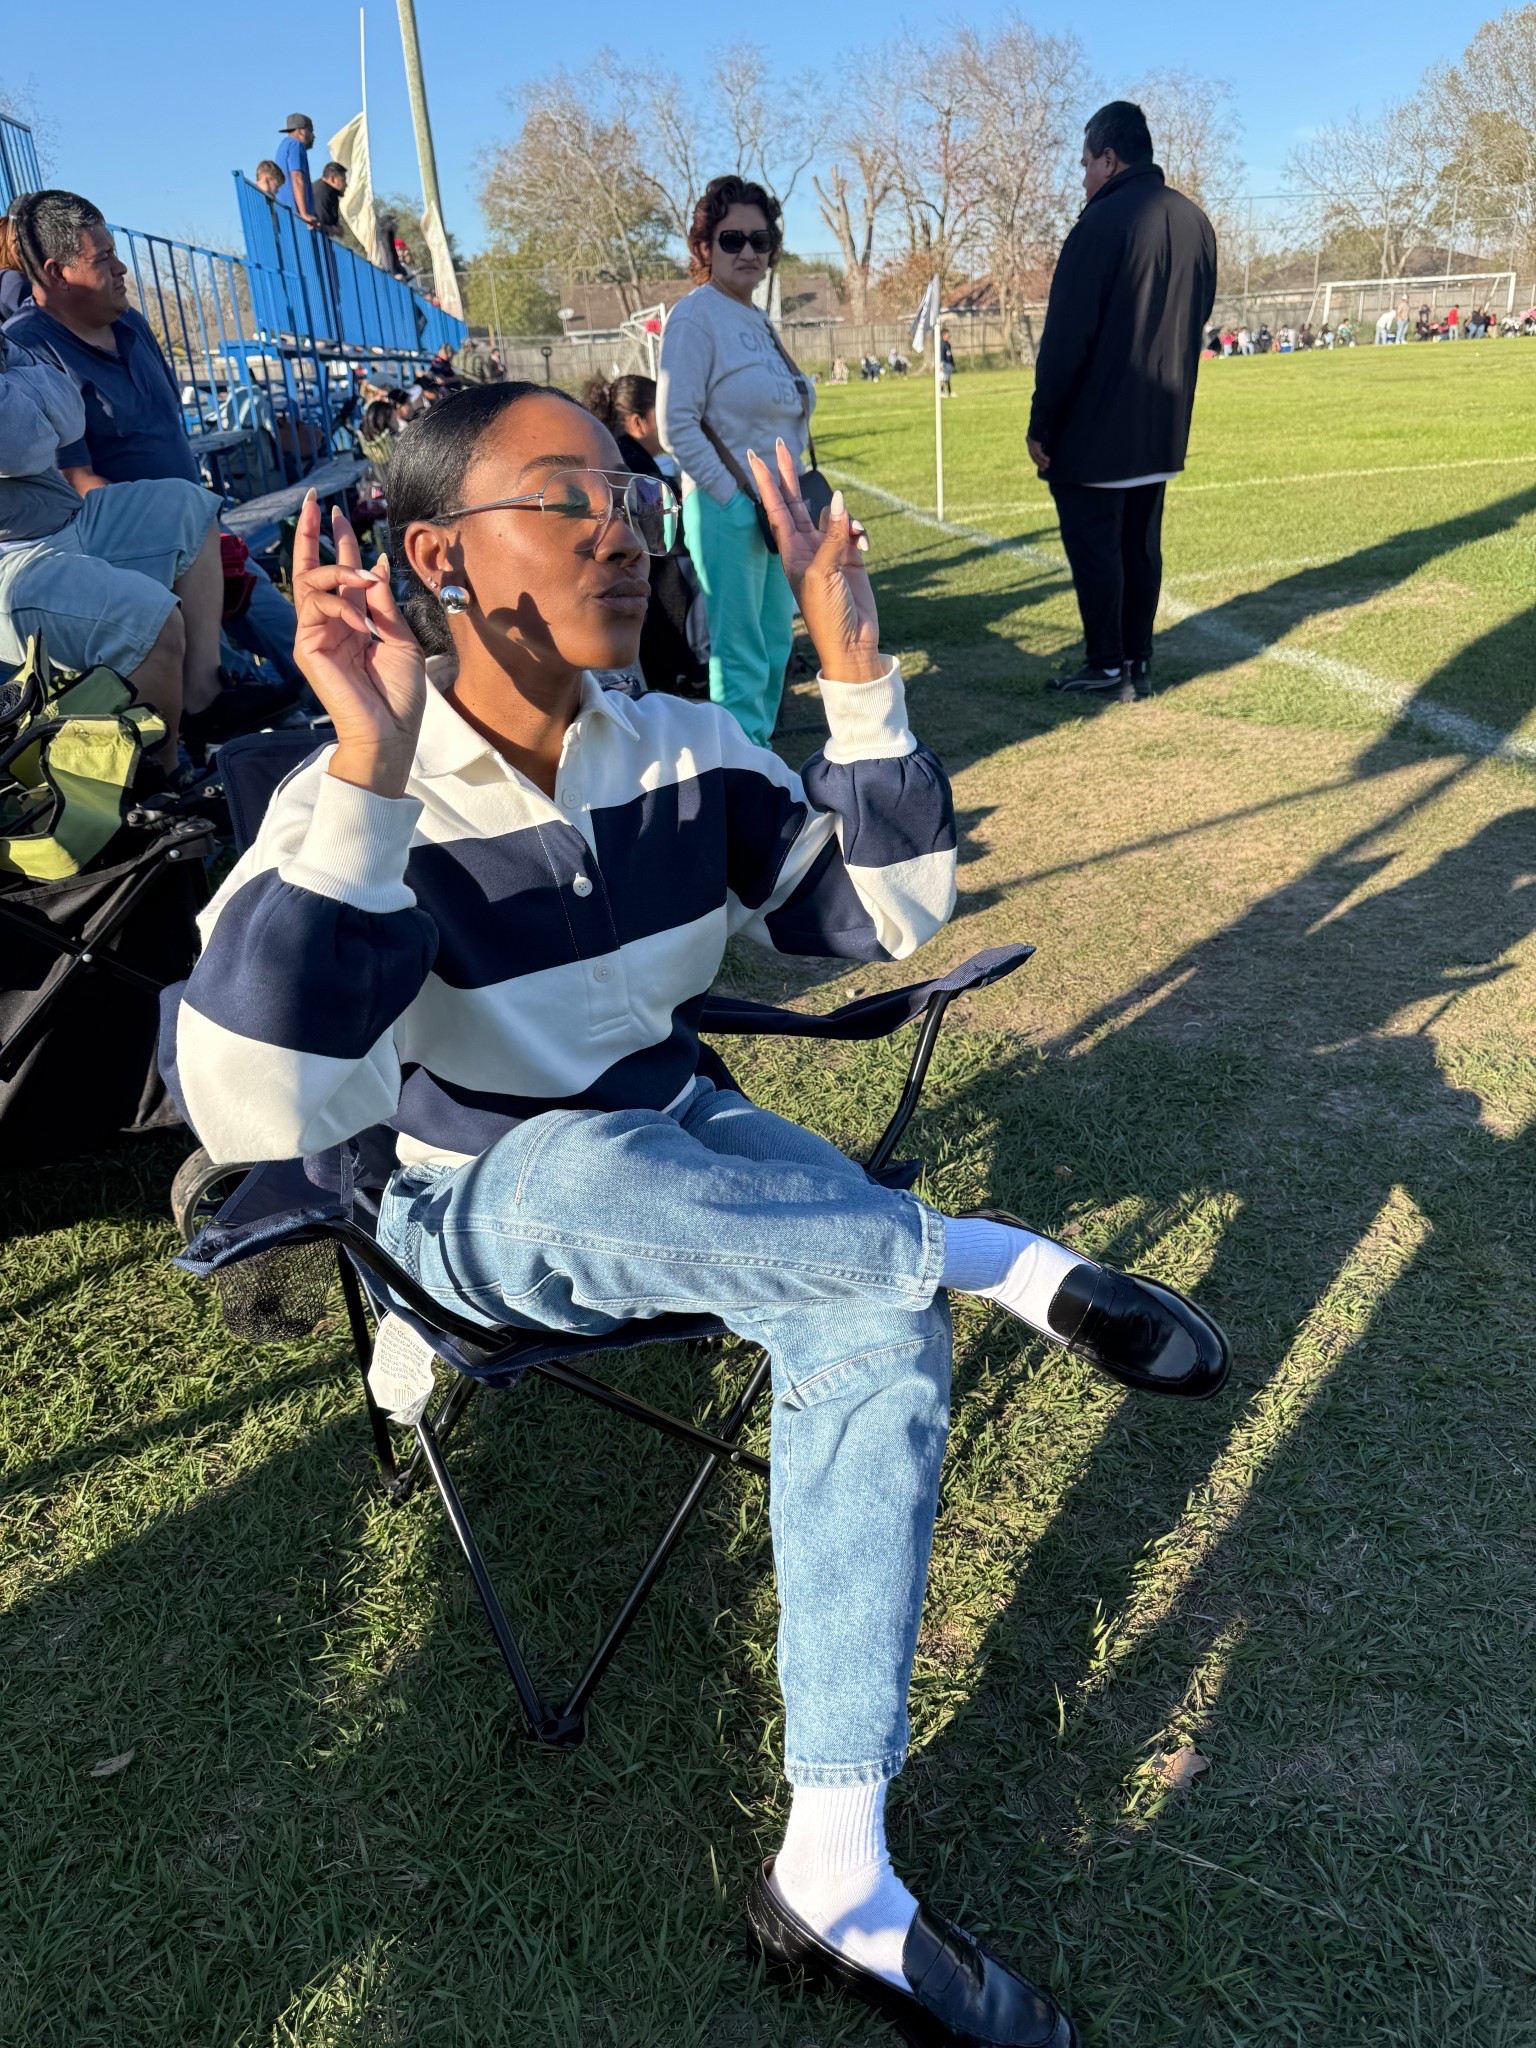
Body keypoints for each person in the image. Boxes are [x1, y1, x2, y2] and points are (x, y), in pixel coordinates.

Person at [169, 379, 1227, 2048]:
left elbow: (883, 910)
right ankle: (991, 1255)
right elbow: (261, 1114)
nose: (622, 532)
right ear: (439, 559)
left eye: (630, 497)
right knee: (606, 1176)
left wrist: (855, 663)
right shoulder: (356, 802)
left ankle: (835, 1871)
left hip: (688, 1136)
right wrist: (370, 765)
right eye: (565, 497)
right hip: (473, 1195)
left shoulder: (683, 748)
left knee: (868, 1319)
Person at [5, 188, 304, 711]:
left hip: (199, 530)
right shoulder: (31, 345)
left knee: (292, 640)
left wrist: (196, 528)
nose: (121, 268)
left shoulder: (131, 324)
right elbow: (72, 478)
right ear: (57, 273)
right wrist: (169, 537)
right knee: (234, 663)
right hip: (129, 552)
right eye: (103, 259)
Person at [1026, 101, 1216, 702]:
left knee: (1098, 549)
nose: (1083, 177)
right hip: (1161, 424)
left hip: (1095, 429)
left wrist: (1043, 422)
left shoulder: (1099, 223)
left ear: (1109, 159)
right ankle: (1138, 658)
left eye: (1085, 163)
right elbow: (1198, 314)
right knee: (1140, 545)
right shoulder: (1195, 221)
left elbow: (1066, 337)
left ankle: (1107, 661)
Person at [0, 329, 225, 774]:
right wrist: (26, 393)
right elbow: (18, 447)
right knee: (146, 620)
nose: (120, 279)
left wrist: (19, 395)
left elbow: (71, 413)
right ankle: (163, 780)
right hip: (11, 560)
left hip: (66, 518)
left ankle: (203, 702)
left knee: (187, 507)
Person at [657, 174, 814, 746]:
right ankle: (742, 771)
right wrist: (730, 498)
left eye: (760, 240)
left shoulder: (756, 318)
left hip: (775, 509)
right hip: (730, 508)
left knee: (774, 642)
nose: (748, 251)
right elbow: (675, 423)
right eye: (732, 239)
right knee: (741, 650)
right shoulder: (696, 316)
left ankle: (758, 759)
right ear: (705, 247)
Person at [583, 370, 708, 698]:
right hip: (658, 595)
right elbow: (655, 531)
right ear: (638, 422)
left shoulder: (629, 457)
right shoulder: (632, 465)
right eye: (661, 415)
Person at [274, 115, 318, 229]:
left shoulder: (284, 145)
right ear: (300, 132)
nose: (313, 136)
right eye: (310, 131)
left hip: (284, 212)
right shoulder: (296, 145)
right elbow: (297, 178)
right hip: (295, 216)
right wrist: (304, 214)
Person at [313, 162, 348, 239]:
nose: (346, 185)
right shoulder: (322, 193)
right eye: (343, 180)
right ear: (332, 179)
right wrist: (336, 230)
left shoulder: (331, 193)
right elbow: (322, 225)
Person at [938, 326, 955, 394]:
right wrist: (941, 364)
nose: (948, 335)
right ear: (943, 335)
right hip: (943, 363)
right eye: (947, 334)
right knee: (942, 377)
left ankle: (949, 392)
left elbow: (949, 354)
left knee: (947, 377)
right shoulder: (941, 344)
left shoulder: (948, 344)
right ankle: (941, 392)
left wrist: (952, 363)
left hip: (948, 363)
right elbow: (941, 354)